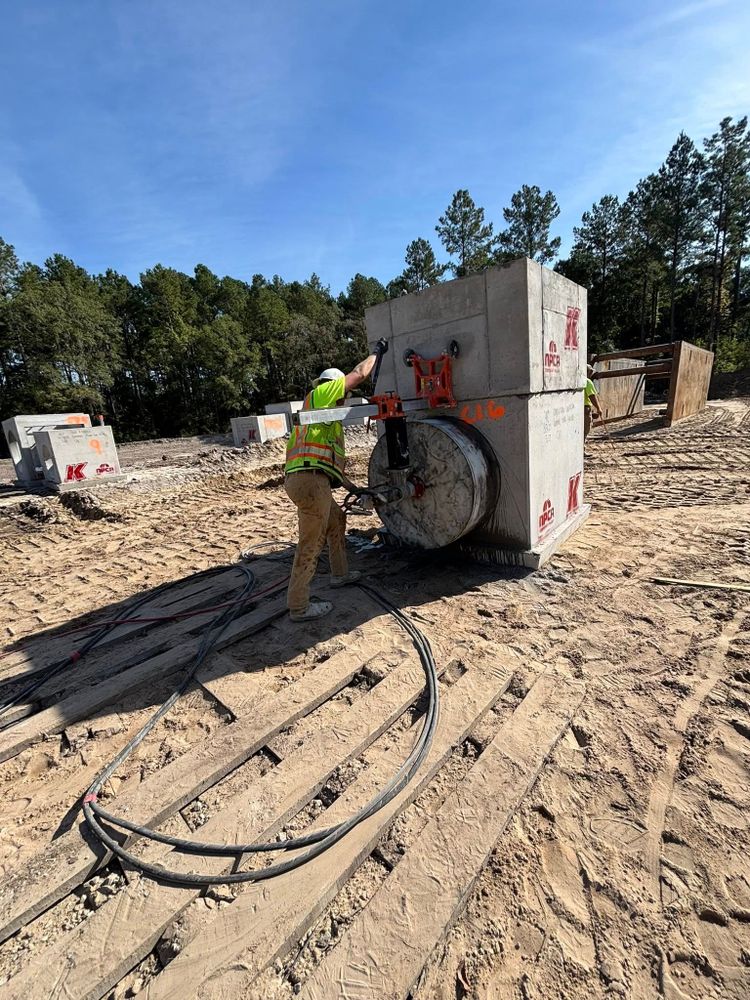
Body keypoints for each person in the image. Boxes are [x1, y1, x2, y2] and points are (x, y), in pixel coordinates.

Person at [284, 340, 388, 621]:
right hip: (309, 481)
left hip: (312, 479)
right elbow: (359, 374)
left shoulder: (328, 424)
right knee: (310, 542)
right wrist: (377, 353)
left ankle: (339, 574)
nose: (344, 398)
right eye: (342, 391)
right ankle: (299, 606)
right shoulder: (321, 394)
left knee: (336, 521)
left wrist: (360, 489)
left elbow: (333, 472)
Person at [584, 365, 604, 439]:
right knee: (585, 429)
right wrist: (598, 408)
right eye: (590, 371)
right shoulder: (587, 381)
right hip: (585, 408)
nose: (591, 373)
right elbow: (592, 396)